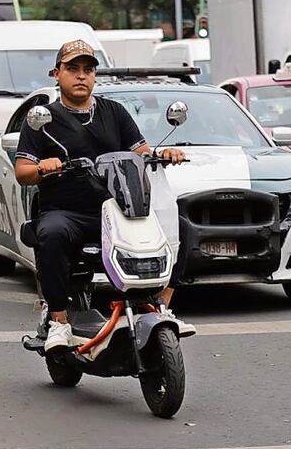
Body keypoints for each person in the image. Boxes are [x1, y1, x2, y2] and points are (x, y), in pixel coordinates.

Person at [15, 39, 190, 352]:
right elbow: (22, 171)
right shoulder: (42, 119)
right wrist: (43, 166)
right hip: (67, 212)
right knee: (51, 234)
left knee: (182, 227)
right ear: (56, 73)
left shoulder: (114, 112)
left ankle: (162, 306)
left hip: (117, 211)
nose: (81, 76)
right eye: (72, 69)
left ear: (95, 75)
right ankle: (59, 321)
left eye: (88, 69)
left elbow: (141, 151)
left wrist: (164, 154)